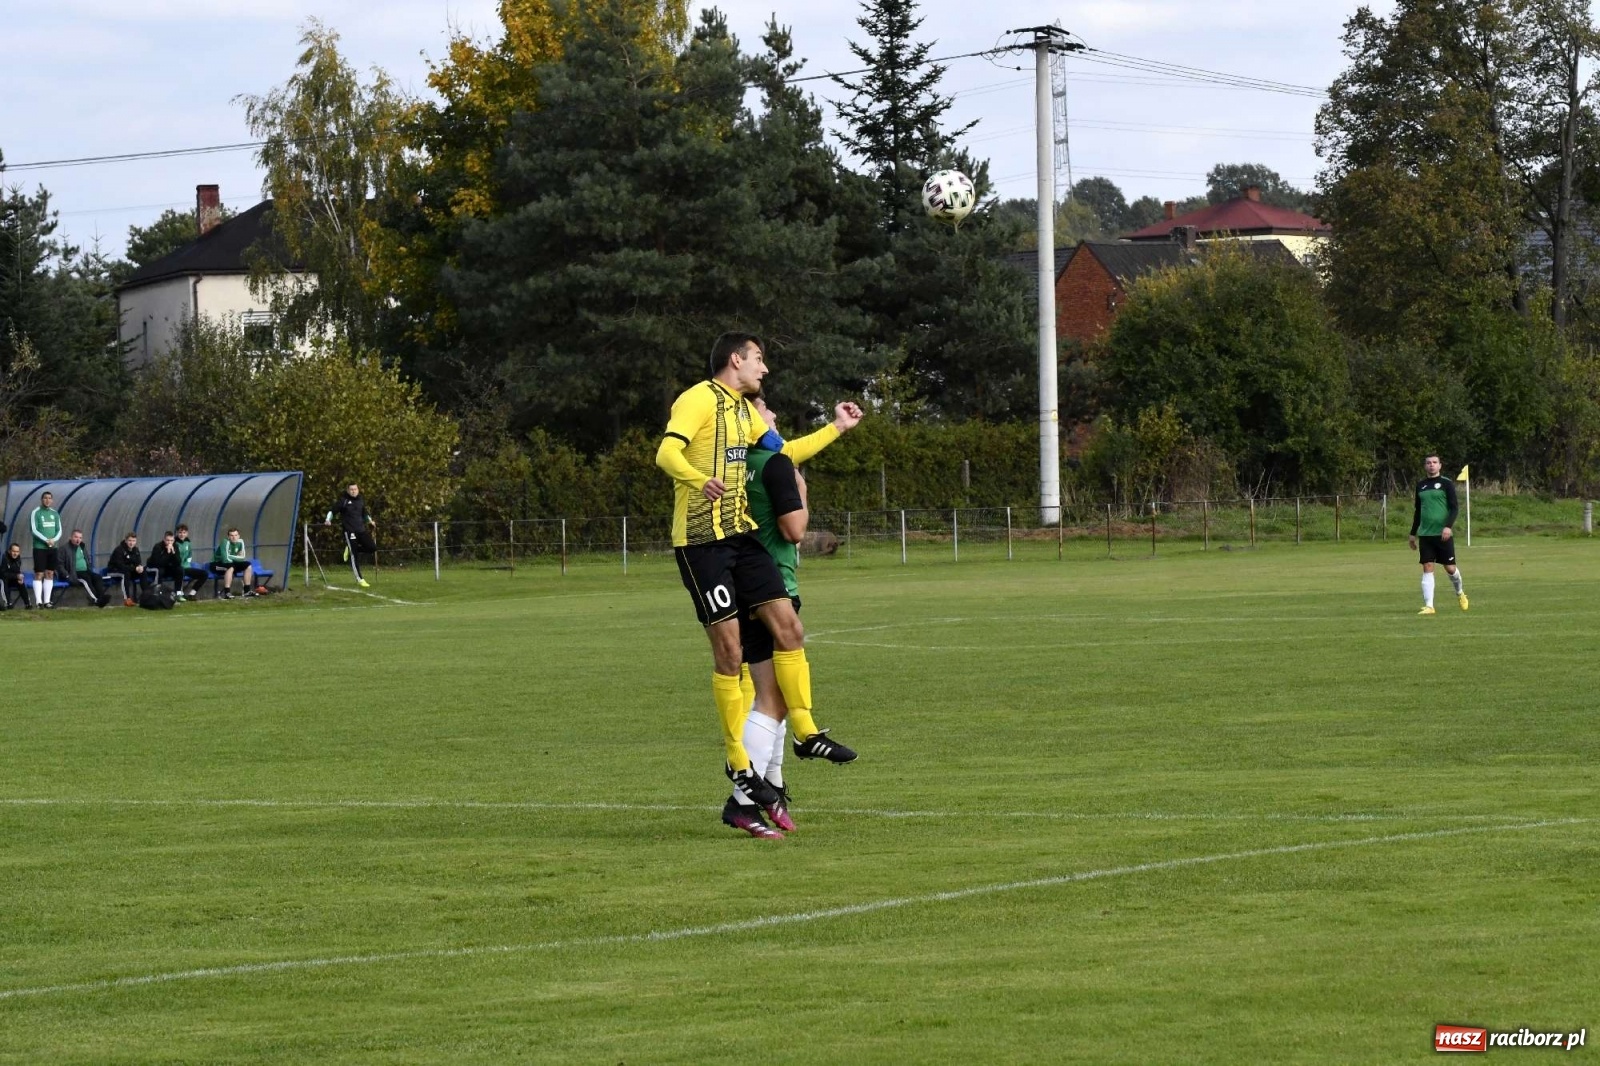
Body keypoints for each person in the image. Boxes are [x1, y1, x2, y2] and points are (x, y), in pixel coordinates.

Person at [654, 331, 861, 836]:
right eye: (759, 359)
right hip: (701, 545)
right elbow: (666, 453)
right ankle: (738, 762)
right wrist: (695, 479)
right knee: (729, 656)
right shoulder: (698, 398)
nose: (764, 369)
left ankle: (807, 730)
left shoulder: (747, 413)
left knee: (789, 628)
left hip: (742, 539)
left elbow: (785, 452)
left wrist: (835, 428)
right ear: (735, 360)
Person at [1409, 454, 1467, 615]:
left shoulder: (1446, 484)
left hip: (1443, 534)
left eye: (1434, 462)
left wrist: (1448, 526)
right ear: (1425, 466)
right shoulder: (1420, 486)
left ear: (1440, 465)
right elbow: (1418, 511)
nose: (1431, 465)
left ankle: (1460, 593)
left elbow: (1454, 508)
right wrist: (1413, 533)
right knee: (1427, 566)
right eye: (1428, 463)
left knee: (1450, 568)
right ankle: (1429, 606)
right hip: (1426, 535)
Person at [325, 482, 377, 588]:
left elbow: (365, 514)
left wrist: (370, 521)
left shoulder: (360, 500)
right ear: (348, 490)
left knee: (372, 547)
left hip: (361, 530)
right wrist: (328, 520)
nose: (353, 491)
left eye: (355, 489)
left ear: (358, 490)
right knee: (355, 556)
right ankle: (359, 579)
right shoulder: (343, 501)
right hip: (350, 531)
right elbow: (332, 511)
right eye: (351, 489)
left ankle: (349, 549)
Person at [56, 530, 111, 608]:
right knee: (86, 579)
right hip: (74, 573)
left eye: (80, 537)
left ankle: (101, 597)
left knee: (97, 577)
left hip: (86, 570)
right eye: (76, 537)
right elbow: (59, 564)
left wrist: (89, 566)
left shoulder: (82, 547)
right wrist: (67, 575)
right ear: (71, 537)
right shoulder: (64, 549)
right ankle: (96, 600)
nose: (78, 539)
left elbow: (87, 558)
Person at [30, 490, 62, 609]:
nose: (47, 500)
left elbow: (59, 530)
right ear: (41, 500)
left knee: (50, 573)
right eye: (45, 498)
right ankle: (38, 602)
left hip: (53, 547)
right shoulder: (36, 512)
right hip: (40, 547)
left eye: (49, 498)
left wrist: (54, 540)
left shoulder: (55, 513)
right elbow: (34, 529)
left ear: (52, 500)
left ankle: (47, 601)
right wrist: (46, 540)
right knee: (39, 573)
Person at [212, 528, 257, 598]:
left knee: (248, 565)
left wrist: (229, 556)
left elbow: (243, 558)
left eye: (236, 535)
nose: (234, 537)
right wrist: (236, 557)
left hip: (231, 563)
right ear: (228, 537)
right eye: (231, 535)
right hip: (216, 564)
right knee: (230, 567)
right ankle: (227, 593)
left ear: (239, 536)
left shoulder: (241, 542)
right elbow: (225, 559)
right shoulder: (225, 542)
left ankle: (247, 591)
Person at [107, 533, 146, 607]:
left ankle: (147, 595)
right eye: (129, 540)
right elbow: (120, 566)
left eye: (133, 541)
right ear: (125, 541)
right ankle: (127, 599)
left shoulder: (136, 550)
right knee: (125, 573)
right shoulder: (119, 550)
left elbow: (138, 562)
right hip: (114, 571)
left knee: (143, 571)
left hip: (128, 570)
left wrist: (140, 567)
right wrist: (135, 568)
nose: (131, 543)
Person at [174, 524, 209, 599]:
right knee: (180, 571)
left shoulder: (188, 543)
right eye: (180, 532)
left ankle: (192, 594)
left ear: (187, 533)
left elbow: (189, 555)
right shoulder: (174, 543)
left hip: (186, 567)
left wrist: (187, 563)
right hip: (176, 568)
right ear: (176, 533)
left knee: (204, 574)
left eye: (184, 532)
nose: (182, 534)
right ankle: (179, 594)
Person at [147, 531, 184, 597]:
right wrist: (167, 553)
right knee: (160, 571)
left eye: (171, 540)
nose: (169, 542)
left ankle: (178, 593)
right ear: (164, 539)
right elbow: (158, 563)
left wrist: (173, 553)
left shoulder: (175, 546)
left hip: (167, 568)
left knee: (180, 569)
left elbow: (178, 562)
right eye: (167, 540)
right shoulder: (157, 546)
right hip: (154, 568)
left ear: (174, 540)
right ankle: (158, 593)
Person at [1, 542, 34, 610]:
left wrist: (20, 578)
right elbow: (3, 574)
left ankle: (28, 604)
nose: (15, 553)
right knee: (3, 582)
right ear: (9, 551)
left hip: (12, 578)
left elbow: (17, 571)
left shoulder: (18, 559)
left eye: (17, 552)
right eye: (13, 551)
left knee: (21, 583)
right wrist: (16, 576)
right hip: (2, 578)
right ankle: (7, 603)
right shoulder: (4, 558)